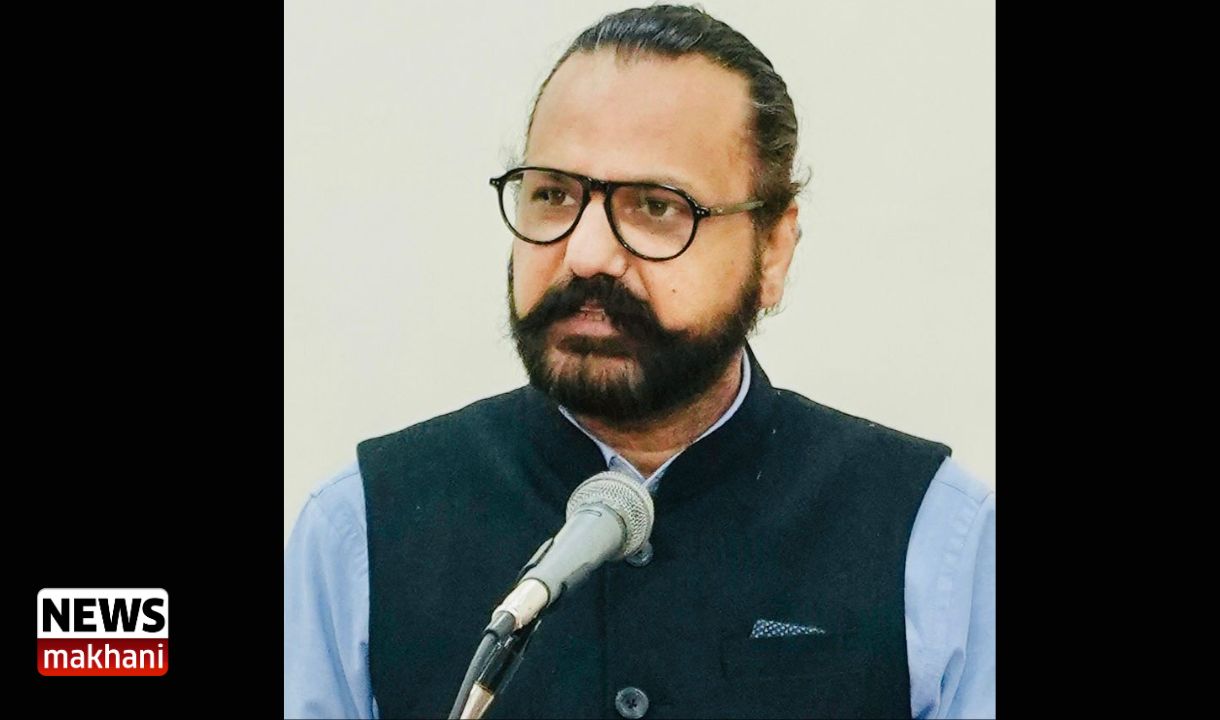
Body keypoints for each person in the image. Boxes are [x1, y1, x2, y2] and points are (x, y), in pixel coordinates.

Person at [285, 5, 994, 719]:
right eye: (553, 195)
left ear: (774, 250)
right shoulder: (359, 531)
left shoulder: (935, 538)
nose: (587, 254)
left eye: (657, 206)